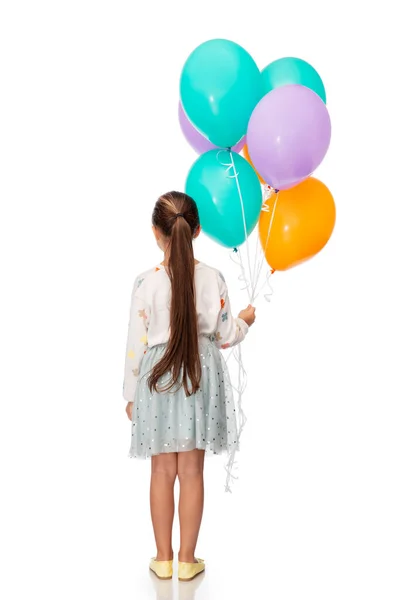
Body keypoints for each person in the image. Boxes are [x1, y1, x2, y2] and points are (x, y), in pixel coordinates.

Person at [123, 191, 256, 582]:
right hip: (199, 378)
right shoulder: (212, 278)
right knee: (192, 472)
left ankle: (162, 559)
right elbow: (227, 334)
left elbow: (137, 343)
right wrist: (247, 318)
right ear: (197, 230)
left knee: (162, 472)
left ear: (155, 233)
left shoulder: (145, 282)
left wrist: (131, 396)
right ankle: (187, 559)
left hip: (158, 378)